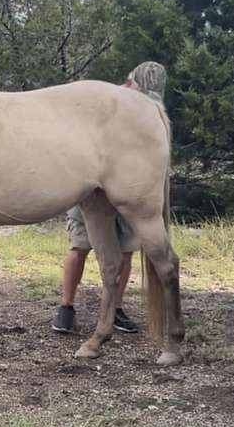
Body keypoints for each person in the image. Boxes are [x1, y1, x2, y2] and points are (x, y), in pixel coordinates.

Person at [52, 61, 168, 334]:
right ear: (129, 84)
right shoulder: (105, 106)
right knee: (80, 245)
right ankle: (65, 307)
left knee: (125, 248)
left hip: (130, 187)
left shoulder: (145, 109)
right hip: (90, 186)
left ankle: (115, 308)